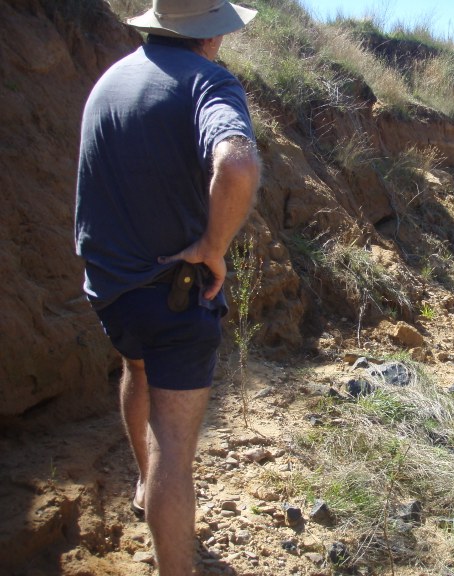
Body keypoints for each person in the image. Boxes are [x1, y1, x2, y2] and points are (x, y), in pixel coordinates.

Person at [74, 1, 261, 574]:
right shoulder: (209, 81)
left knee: (138, 369)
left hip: (111, 289)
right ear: (210, 35)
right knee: (174, 451)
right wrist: (213, 246)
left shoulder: (111, 79)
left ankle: (141, 487)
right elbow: (237, 165)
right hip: (175, 293)